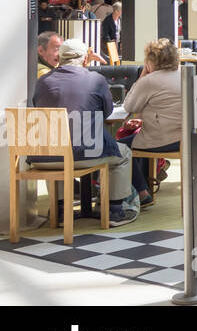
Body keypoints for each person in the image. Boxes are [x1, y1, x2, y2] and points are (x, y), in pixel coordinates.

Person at [30, 39, 138, 226]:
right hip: (87, 154)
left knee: (59, 149)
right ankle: (115, 210)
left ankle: (61, 210)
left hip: (43, 157)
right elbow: (107, 112)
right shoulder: (95, 80)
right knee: (124, 154)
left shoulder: (42, 82)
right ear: (85, 60)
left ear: (59, 58)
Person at [121, 38, 182, 209]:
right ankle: (148, 184)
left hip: (160, 139)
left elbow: (129, 106)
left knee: (118, 147)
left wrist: (141, 76)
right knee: (133, 140)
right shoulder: (185, 75)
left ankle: (142, 192)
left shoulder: (150, 80)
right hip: (184, 139)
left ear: (150, 60)